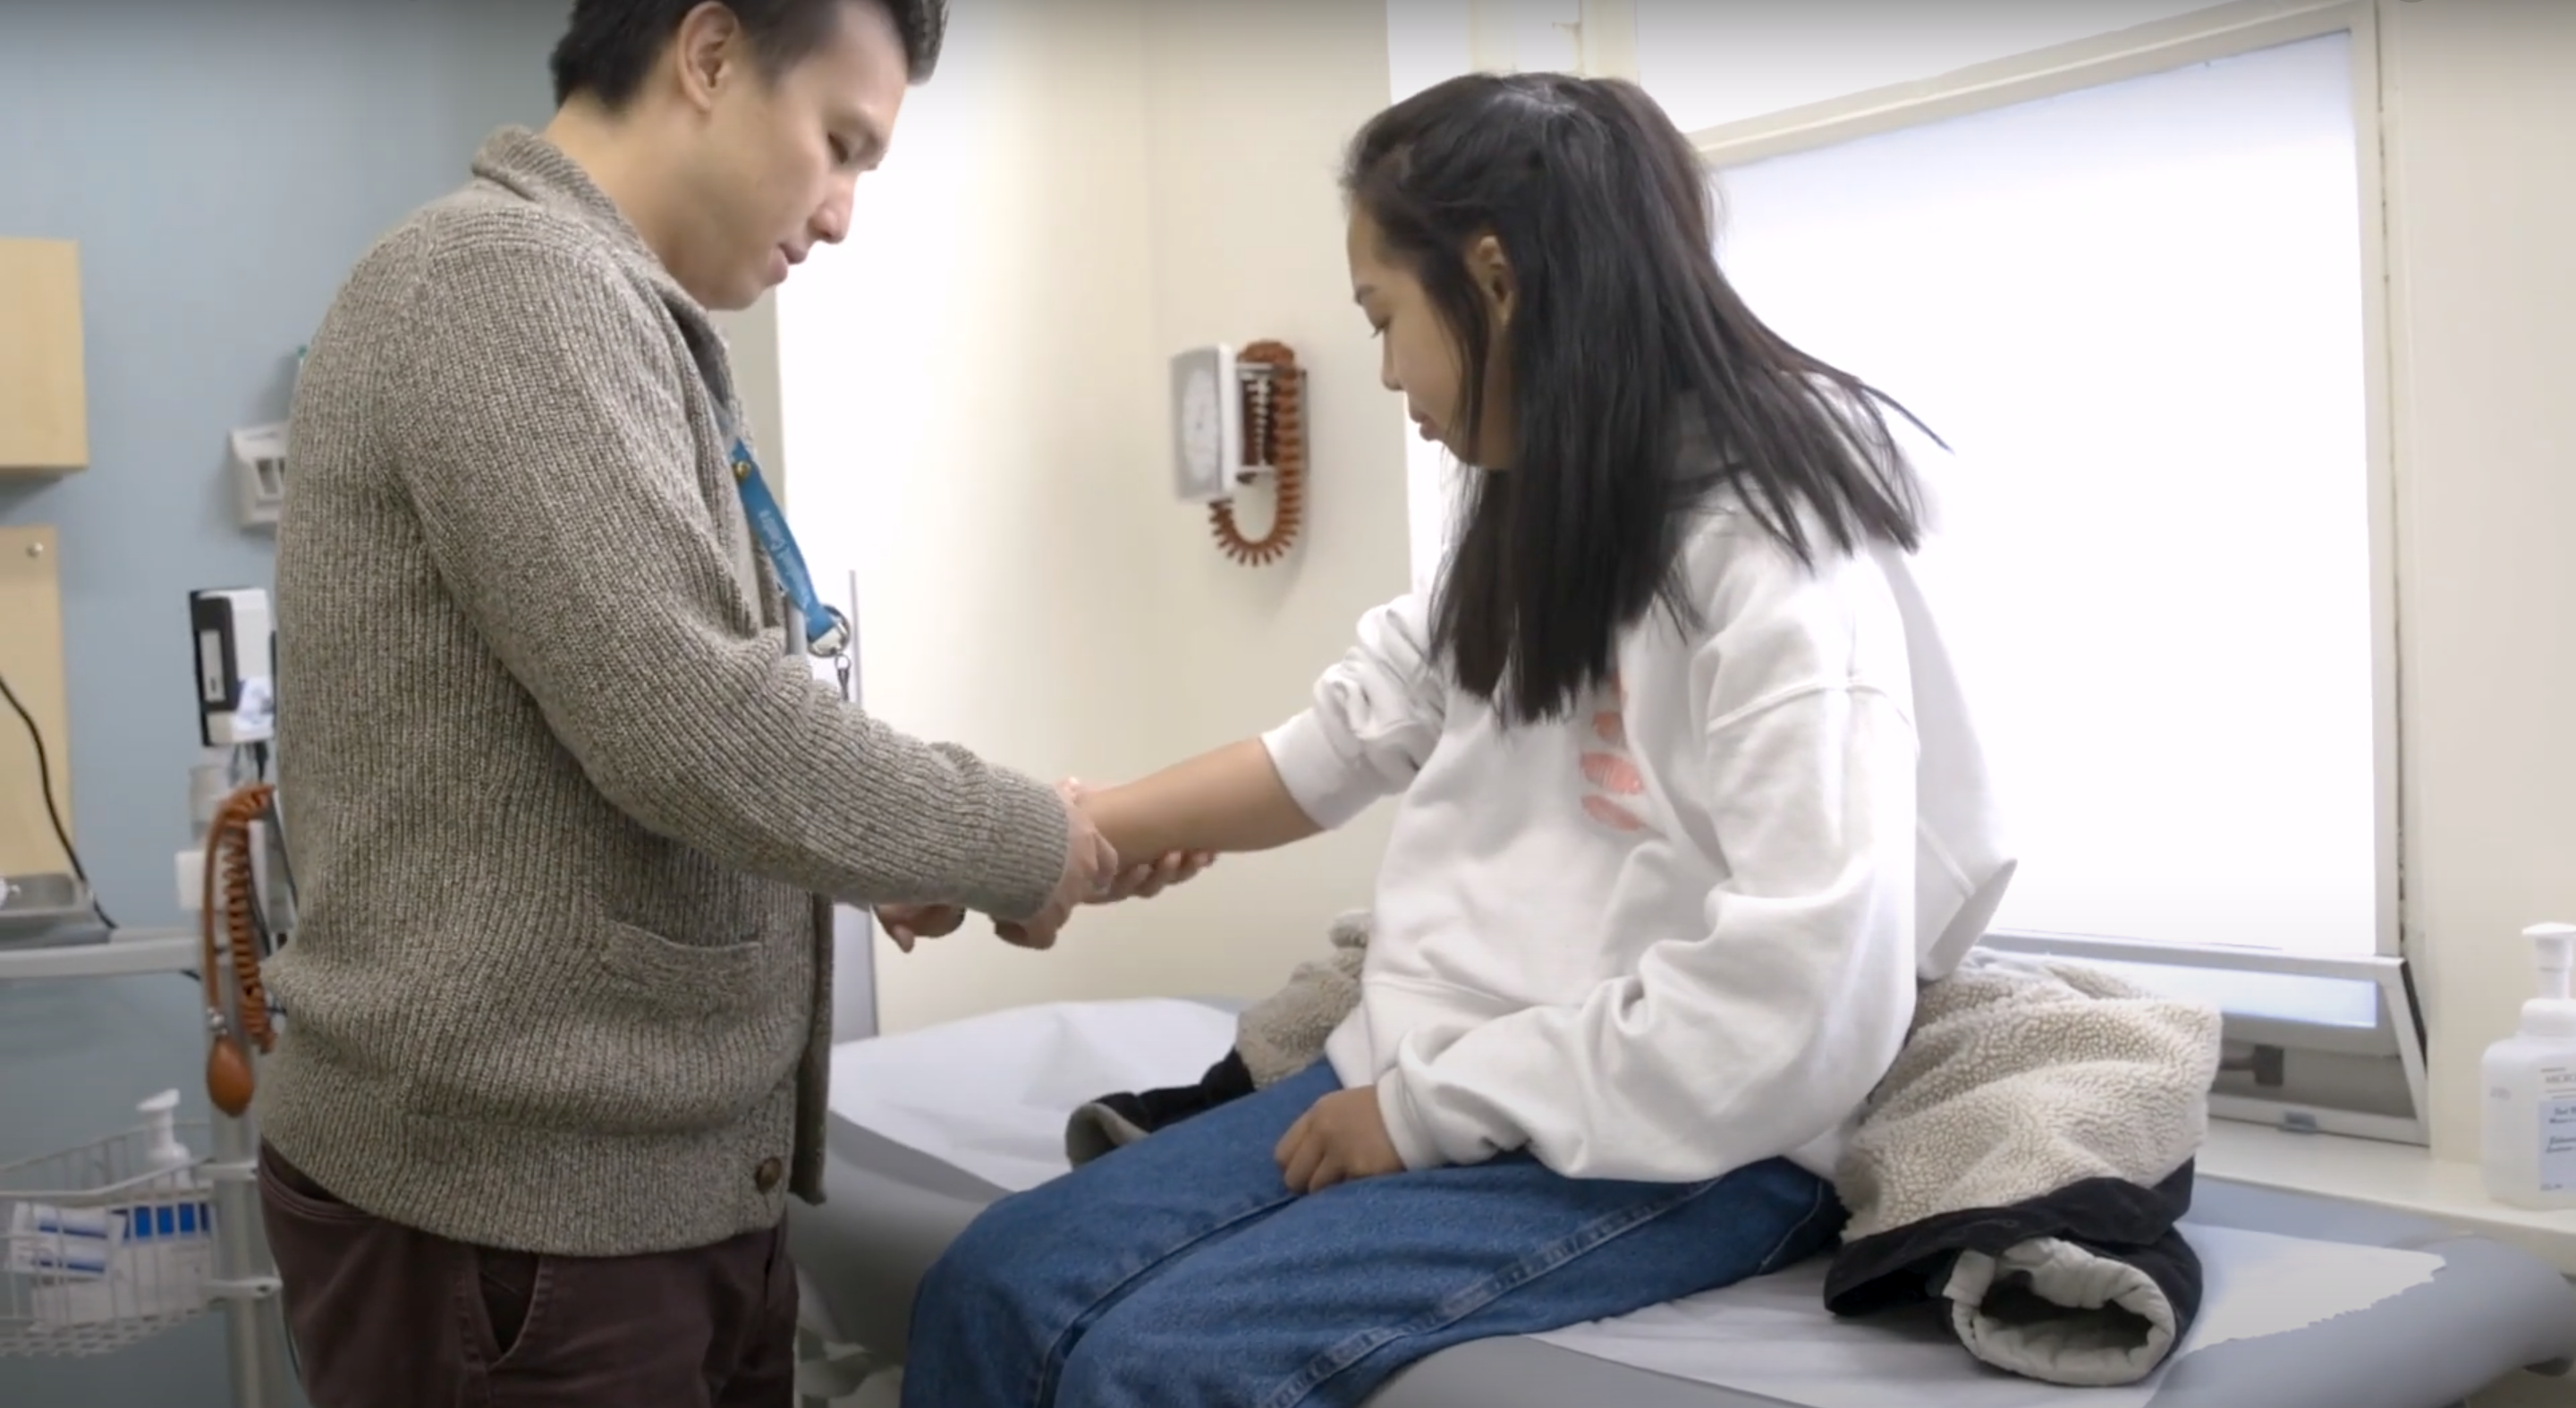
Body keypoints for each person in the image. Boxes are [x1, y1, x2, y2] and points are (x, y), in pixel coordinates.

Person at [878, 70, 2012, 1408]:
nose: (1383, 370)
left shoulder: (1780, 565)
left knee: (1158, 1366)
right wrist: (1046, 840)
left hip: (1690, 1133)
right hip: (1437, 1076)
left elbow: (1796, 1002)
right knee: (989, 1278)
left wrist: (1419, 1113)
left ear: (1495, 278)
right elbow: (1328, 748)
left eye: (1383, 316)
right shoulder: (1547, 513)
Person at [257, 3, 1199, 1404]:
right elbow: (693, 725)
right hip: (519, 1217)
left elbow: (647, 724)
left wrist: (883, 846)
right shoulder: (501, 282)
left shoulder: (615, 312)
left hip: (641, 1205)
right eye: (839, 145)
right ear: (707, 55)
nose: (840, 214)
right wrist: (1017, 837)